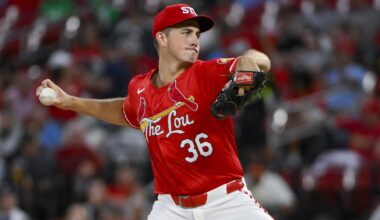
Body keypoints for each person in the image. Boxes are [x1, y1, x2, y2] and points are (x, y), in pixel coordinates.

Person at [36, 3, 272, 220]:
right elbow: (123, 111)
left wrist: (250, 65)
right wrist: (71, 102)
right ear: (162, 38)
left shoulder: (205, 73)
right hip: (171, 208)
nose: (195, 40)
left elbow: (257, 60)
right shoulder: (139, 88)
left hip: (226, 201)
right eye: (186, 32)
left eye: (197, 35)